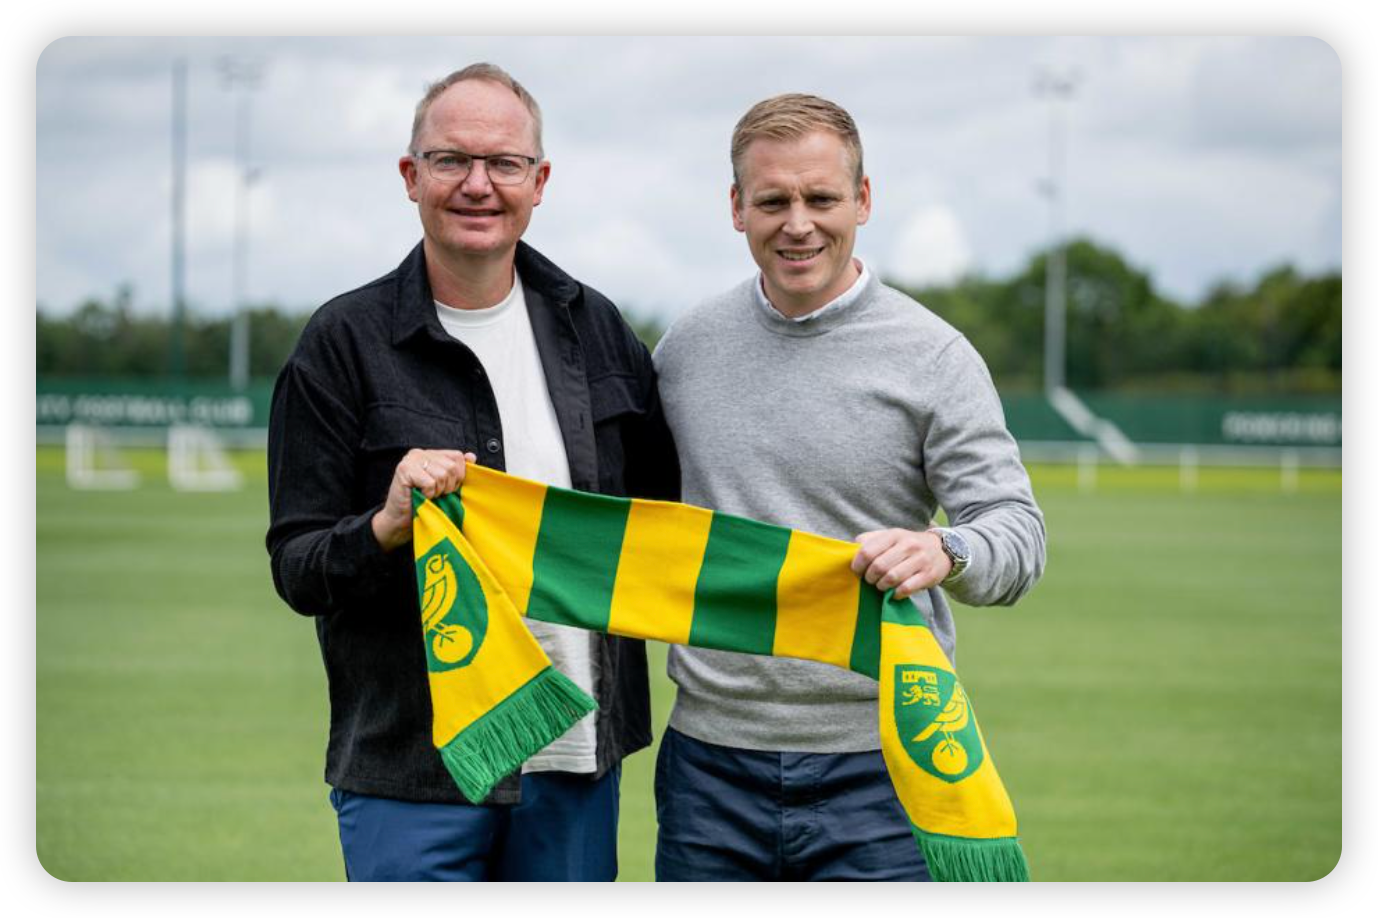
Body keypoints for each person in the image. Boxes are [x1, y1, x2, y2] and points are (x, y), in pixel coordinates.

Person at [265, 63, 678, 882]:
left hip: (574, 758)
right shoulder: (341, 343)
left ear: (540, 181)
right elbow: (297, 566)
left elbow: (664, 521)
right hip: (412, 767)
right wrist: (384, 526)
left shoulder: (598, 329)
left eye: (504, 163)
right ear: (410, 176)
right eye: (451, 160)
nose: (478, 184)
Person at [651, 93, 1046, 881]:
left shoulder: (935, 356)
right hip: (709, 769)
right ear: (737, 208)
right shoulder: (684, 351)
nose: (798, 224)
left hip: (885, 763)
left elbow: (1017, 531)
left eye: (821, 198)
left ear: (863, 200)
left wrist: (946, 549)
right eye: (773, 201)